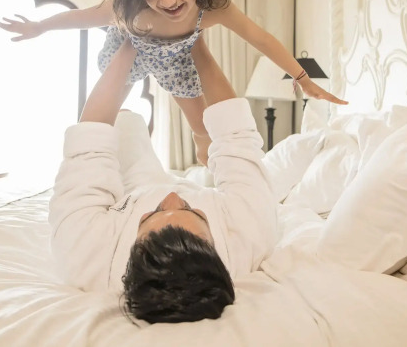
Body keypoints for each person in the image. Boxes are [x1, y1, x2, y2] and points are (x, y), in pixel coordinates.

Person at [0, 0, 347, 165]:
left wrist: (303, 77)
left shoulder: (213, 8)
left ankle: (208, 174)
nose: (167, 1)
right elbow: (83, 17)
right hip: (129, 51)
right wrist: (40, 26)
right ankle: (95, 166)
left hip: (177, 62)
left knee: (203, 130)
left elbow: (260, 39)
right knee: (96, 125)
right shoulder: (128, 9)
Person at [48, 35, 278, 323]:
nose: (170, 197)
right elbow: (236, 136)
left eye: (154, 213)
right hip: (202, 191)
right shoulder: (251, 232)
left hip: (130, 193)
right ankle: (200, 142)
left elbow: (88, 143)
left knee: (123, 118)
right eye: (192, 211)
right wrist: (195, 43)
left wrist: (130, 42)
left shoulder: (82, 254)